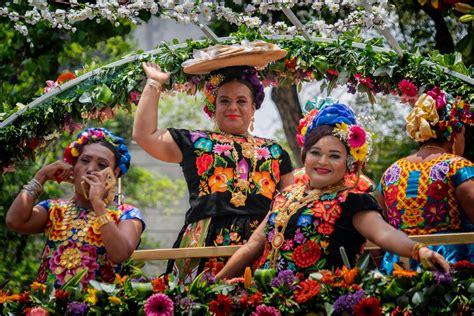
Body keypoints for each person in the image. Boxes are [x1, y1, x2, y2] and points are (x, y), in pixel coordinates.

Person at [216, 103, 450, 279]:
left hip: (319, 303)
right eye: (315, 152)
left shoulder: (352, 202)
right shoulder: (285, 196)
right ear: (305, 155)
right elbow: (251, 247)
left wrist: (419, 251)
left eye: (335, 156)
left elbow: (385, 234)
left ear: (349, 162)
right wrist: (215, 283)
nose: (323, 161)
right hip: (269, 302)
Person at [132, 42, 294, 283]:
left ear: (253, 107)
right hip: (203, 244)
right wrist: (155, 83)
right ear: (213, 106)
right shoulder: (196, 142)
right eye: (224, 101)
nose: (232, 107)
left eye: (241, 101)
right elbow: (144, 136)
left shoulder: (276, 151)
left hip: (261, 245)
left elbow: (290, 202)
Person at [6, 128, 145, 288]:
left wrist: (98, 203)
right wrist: (41, 176)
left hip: (96, 310)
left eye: (101, 165)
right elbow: (14, 221)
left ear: (114, 173)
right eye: (84, 161)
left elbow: (120, 254)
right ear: (73, 167)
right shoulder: (54, 209)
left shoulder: (127, 214)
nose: (91, 169)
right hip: (46, 309)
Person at [377, 88, 474, 274]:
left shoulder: (391, 173)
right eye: (463, 133)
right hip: (450, 269)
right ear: (453, 132)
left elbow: (380, 230)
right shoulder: (458, 167)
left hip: (400, 271)